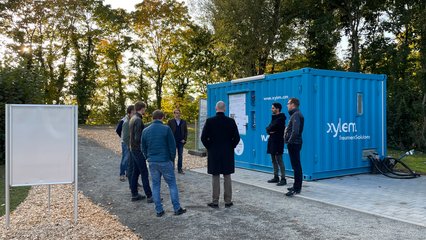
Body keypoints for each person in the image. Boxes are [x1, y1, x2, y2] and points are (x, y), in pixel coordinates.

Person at [142, 110, 187, 217]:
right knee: (172, 184)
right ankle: (177, 208)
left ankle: (159, 210)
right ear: (162, 117)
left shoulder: (145, 130)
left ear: (153, 118)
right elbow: (172, 146)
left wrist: (147, 157)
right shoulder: (166, 129)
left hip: (152, 162)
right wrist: (171, 159)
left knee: (156, 185)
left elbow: (143, 147)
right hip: (165, 161)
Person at [201, 101, 240, 208]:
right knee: (227, 176)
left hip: (214, 152)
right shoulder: (231, 121)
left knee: (215, 176)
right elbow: (237, 138)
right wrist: (231, 146)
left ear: (216, 108)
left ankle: (215, 201)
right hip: (227, 152)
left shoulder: (210, 121)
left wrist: (210, 147)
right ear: (225, 109)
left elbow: (203, 137)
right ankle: (228, 201)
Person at [129, 101, 153, 202]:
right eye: (145, 109)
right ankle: (149, 196)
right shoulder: (138, 119)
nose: (145, 110)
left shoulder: (133, 118)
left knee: (135, 171)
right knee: (144, 172)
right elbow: (138, 137)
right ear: (142, 108)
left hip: (133, 149)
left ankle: (134, 194)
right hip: (138, 150)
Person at [284, 98, 304, 197]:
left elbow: (295, 131)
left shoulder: (296, 115)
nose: (287, 105)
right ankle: (296, 186)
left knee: (296, 166)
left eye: (288, 103)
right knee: (295, 166)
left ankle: (297, 188)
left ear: (293, 104)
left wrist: (290, 142)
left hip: (294, 144)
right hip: (295, 143)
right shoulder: (295, 114)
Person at [266, 102, 287, 186]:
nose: (272, 109)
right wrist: (270, 130)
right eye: (272, 108)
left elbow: (272, 127)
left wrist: (271, 130)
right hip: (272, 141)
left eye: (273, 108)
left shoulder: (281, 118)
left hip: (278, 142)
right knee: (273, 159)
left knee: (279, 160)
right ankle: (276, 177)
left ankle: (283, 178)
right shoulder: (274, 117)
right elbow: (268, 128)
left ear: (277, 109)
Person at [167, 109, 188, 174]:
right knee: (172, 155)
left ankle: (179, 169)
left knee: (180, 155)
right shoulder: (170, 121)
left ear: (180, 114)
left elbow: (186, 131)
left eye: (178, 113)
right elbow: (168, 131)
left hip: (181, 141)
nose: (177, 114)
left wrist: (184, 139)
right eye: (176, 113)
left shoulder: (183, 122)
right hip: (173, 141)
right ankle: (171, 169)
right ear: (174, 114)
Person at [120, 105, 135, 182]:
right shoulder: (126, 121)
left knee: (130, 159)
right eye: (133, 112)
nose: (134, 114)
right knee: (125, 159)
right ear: (129, 113)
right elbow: (125, 137)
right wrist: (129, 145)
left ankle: (128, 174)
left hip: (130, 143)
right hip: (126, 143)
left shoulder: (133, 120)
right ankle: (122, 174)